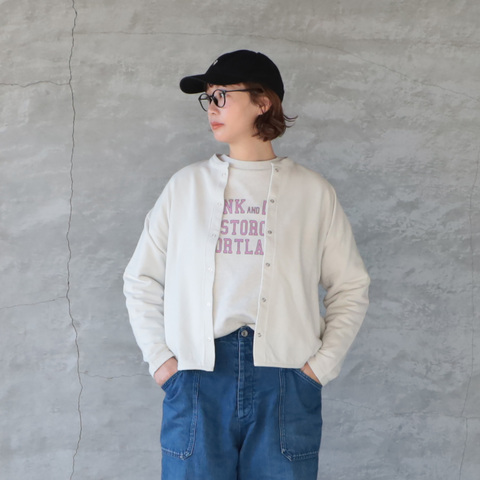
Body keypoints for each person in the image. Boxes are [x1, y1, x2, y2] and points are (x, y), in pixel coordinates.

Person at [123, 49, 370, 480]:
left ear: (262, 102)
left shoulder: (312, 192)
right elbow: (140, 278)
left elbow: (350, 285)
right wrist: (162, 363)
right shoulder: (185, 188)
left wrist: (318, 369)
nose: (211, 107)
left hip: (285, 381)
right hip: (198, 377)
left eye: (222, 95)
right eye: (208, 98)